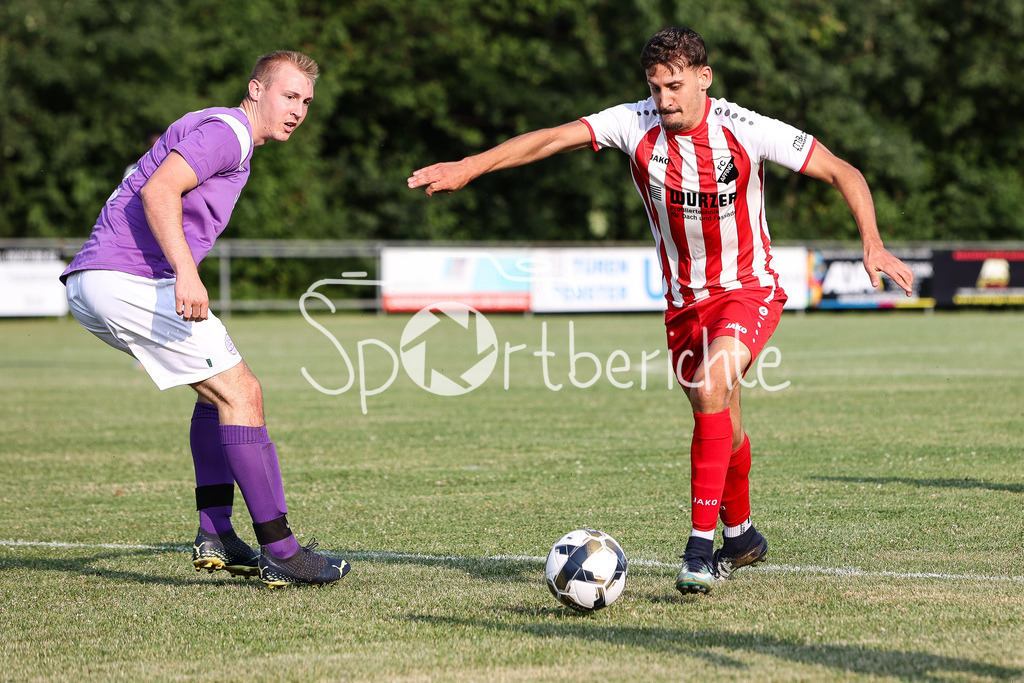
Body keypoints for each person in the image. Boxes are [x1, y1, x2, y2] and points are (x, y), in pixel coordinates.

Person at [408, 27, 914, 596]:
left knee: (710, 388)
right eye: (655, 88)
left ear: (704, 78)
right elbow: (550, 140)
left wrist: (871, 241)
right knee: (724, 418)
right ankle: (742, 536)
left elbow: (845, 172)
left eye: (675, 86)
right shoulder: (634, 123)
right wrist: (470, 167)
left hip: (749, 287)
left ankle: (699, 550)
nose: (665, 100)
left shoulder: (747, 130)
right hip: (683, 306)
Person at [61, 51, 350, 588]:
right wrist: (185, 273)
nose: (298, 110)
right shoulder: (231, 133)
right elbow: (159, 189)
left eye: (307, 102)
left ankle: (216, 534)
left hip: (95, 283)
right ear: (256, 89)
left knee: (214, 395)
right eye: (289, 96)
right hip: (132, 280)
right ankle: (282, 551)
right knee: (244, 395)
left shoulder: (211, 124)